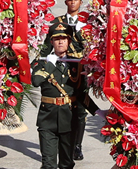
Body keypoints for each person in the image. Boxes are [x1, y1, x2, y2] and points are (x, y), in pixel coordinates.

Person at [32, 23, 95, 169]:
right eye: (57, 39)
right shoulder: (43, 62)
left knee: (67, 164)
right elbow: (36, 81)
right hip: (47, 120)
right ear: (51, 42)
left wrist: (97, 111)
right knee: (48, 165)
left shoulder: (76, 64)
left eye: (64, 39)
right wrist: (50, 65)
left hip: (69, 119)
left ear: (69, 41)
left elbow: (81, 94)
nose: (60, 42)